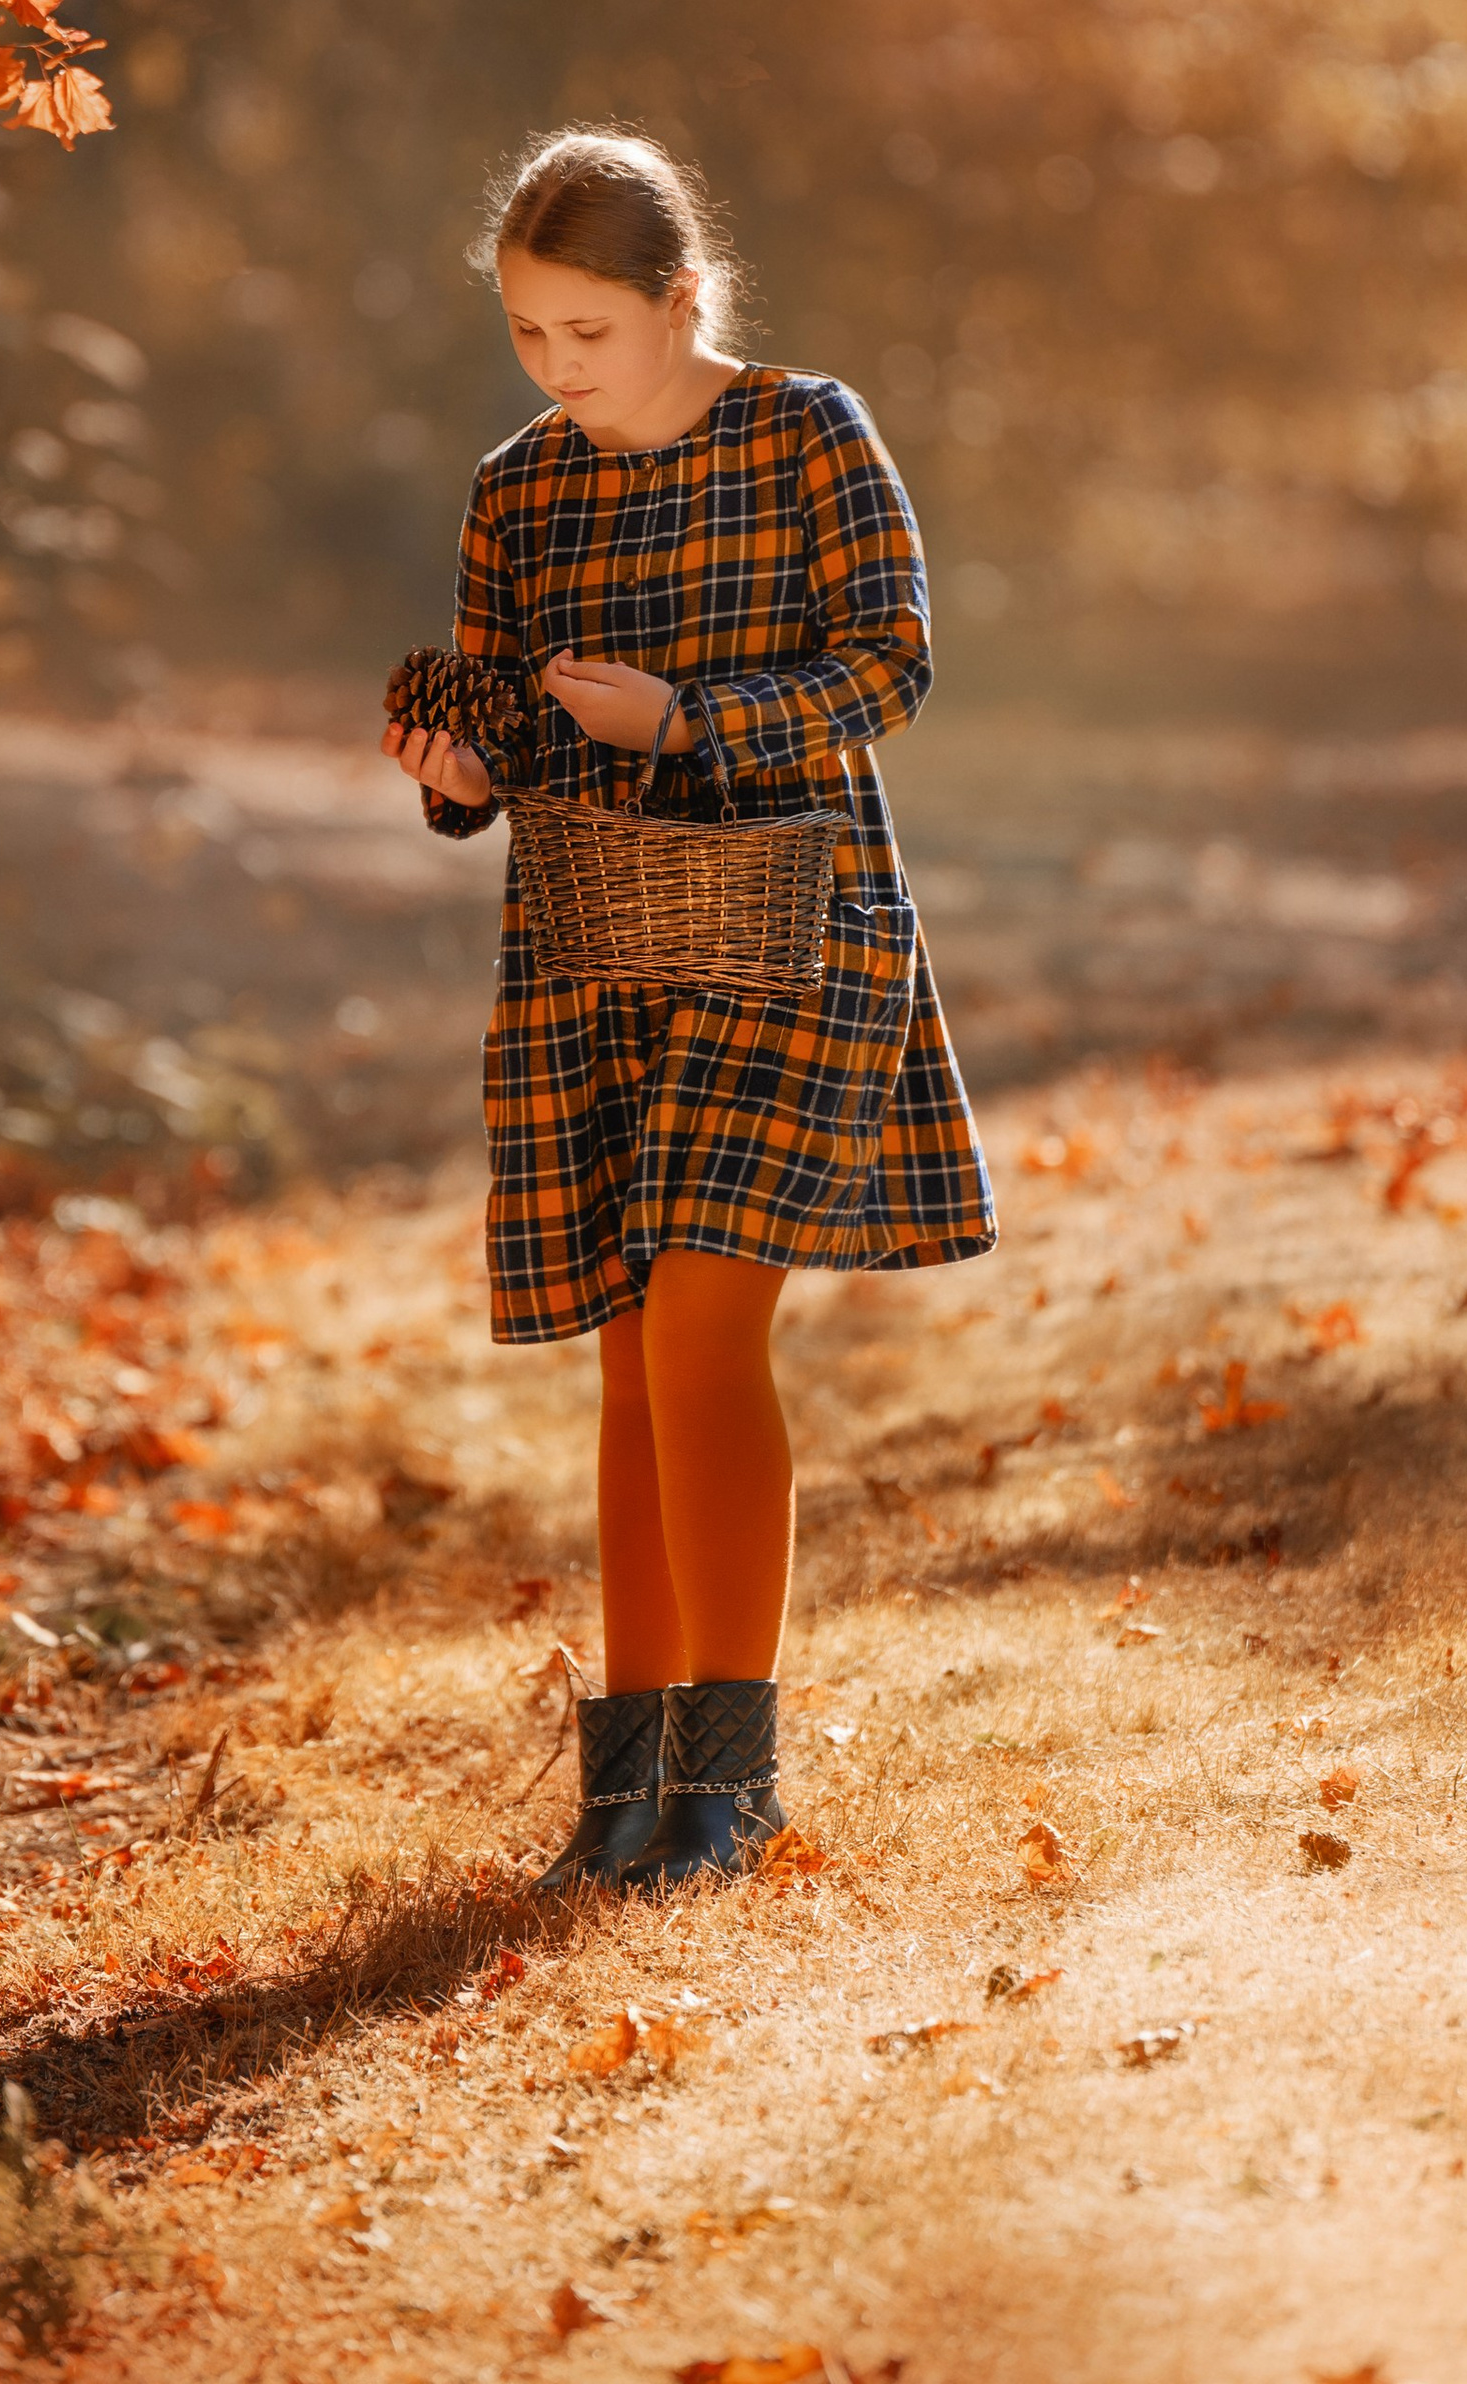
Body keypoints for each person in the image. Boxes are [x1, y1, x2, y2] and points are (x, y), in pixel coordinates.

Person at [379, 127, 995, 1893]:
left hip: (798, 929)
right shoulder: (519, 488)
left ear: (681, 299)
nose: (560, 372)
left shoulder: (811, 431)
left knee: (707, 1335)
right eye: (526, 335)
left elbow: (891, 666)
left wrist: (691, 723)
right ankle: (625, 1794)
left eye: (589, 331)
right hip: (594, 947)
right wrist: (455, 768)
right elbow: (492, 740)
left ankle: (734, 1779)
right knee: (630, 1361)